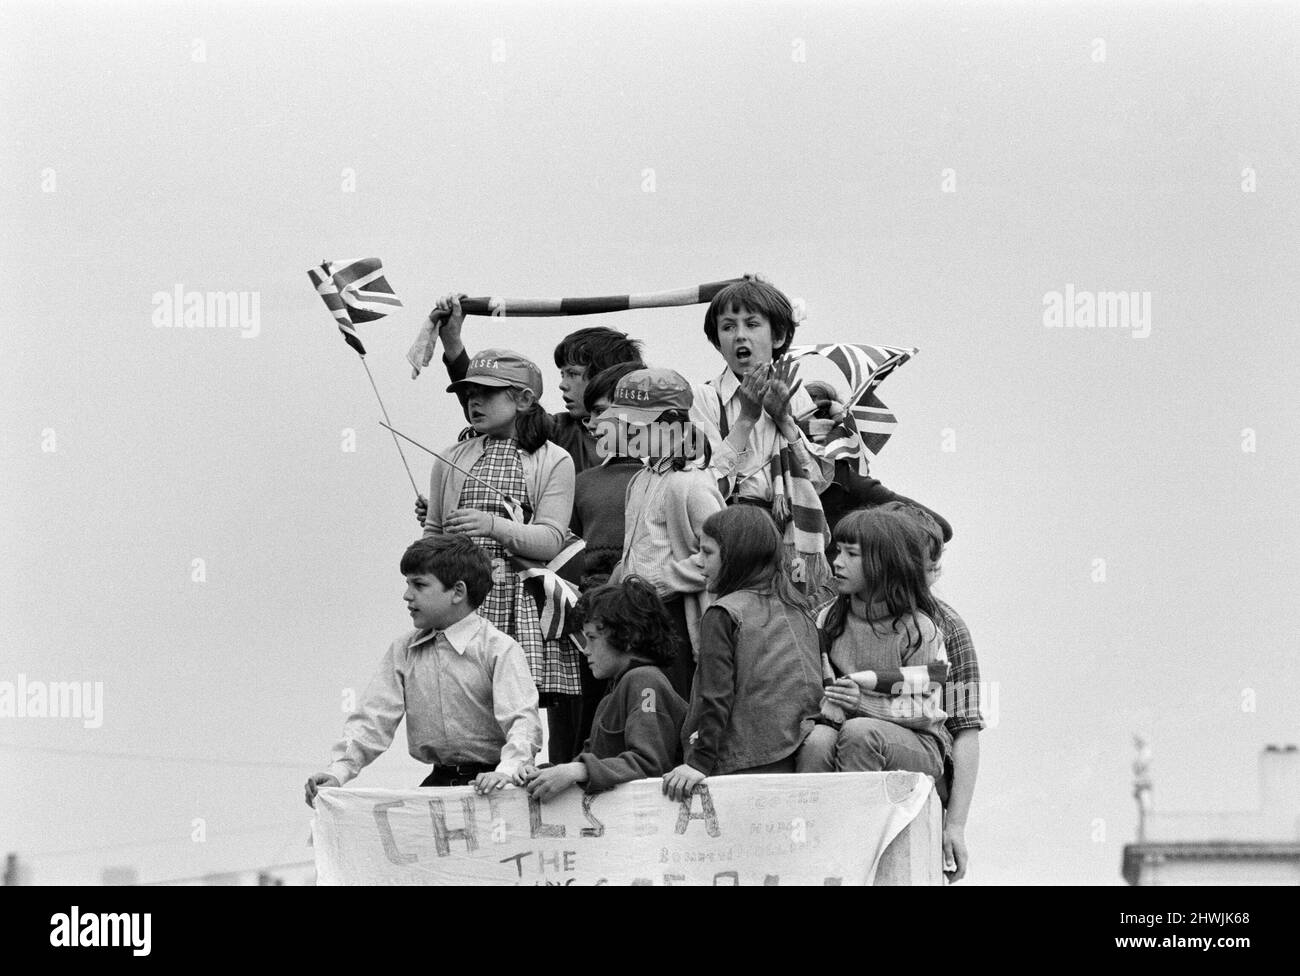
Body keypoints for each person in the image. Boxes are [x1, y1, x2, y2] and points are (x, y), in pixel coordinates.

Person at [419, 349, 585, 763]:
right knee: (464, 697)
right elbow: (435, 534)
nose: (474, 402)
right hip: (464, 600)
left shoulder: (553, 459)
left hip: (518, 599)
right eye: (469, 393)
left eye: (487, 394)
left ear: (524, 400)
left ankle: (517, 769)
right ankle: (469, 770)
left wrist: (492, 526)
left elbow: (549, 539)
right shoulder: (450, 458)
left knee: (516, 699)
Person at [303, 535, 541, 803]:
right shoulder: (404, 649)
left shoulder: (499, 649)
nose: (407, 595)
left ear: (458, 592)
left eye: (419, 585)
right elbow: (373, 719)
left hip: (493, 784)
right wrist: (338, 771)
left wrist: (508, 770)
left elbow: (522, 722)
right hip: (437, 786)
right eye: (408, 584)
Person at [662, 506, 824, 801]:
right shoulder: (801, 612)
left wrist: (698, 762)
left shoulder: (723, 613)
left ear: (737, 556)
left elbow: (716, 696)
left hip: (740, 766)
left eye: (707, 553)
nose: (698, 562)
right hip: (795, 760)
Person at [687, 277, 835, 600]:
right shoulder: (704, 398)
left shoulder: (796, 398)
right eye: (728, 327)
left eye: (752, 324)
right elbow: (705, 485)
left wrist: (783, 418)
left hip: (785, 536)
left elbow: (819, 480)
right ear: (718, 340)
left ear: (778, 335)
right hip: (731, 535)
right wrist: (747, 417)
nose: (740, 335)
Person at [795, 508, 950, 787]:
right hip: (843, 727)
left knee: (860, 733)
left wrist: (861, 703)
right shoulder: (828, 618)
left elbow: (924, 710)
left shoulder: (919, 631)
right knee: (817, 741)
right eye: (838, 551)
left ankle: (859, 828)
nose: (837, 562)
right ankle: (813, 826)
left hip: (918, 741)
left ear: (884, 563)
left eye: (851, 554)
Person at [602, 367, 725, 701]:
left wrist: (663, 581)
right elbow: (636, 549)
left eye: (636, 421)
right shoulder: (640, 478)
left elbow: (721, 551)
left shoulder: (691, 482)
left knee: (673, 707)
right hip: (635, 615)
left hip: (674, 618)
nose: (624, 429)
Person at [881, 500, 985, 884]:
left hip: (919, 797)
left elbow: (966, 727)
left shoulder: (950, 626)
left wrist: (956, 825)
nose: (933, 572)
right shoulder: (837, 614)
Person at [521, 577, 688, 801]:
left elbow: (650, 763)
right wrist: (545, 772)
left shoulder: (645, 681)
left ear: (629, 636)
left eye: (592, 638)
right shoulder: (614, 693)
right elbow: (592, 759)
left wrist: (578, 770)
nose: (586, 650)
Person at [432, 294, 643, 472]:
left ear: (605, 378)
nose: (562, 384)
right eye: (562, 374)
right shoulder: (557, 431)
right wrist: (452, 342)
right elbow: (495, 408)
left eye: (572, 374)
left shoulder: (655, 430)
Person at [568, 360, 646, 749]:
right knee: (591, 709)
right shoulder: (582, 483)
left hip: (646, 610)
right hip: (591, 613)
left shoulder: (662, 477)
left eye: (600, 412)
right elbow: (564, 550)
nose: (592, 423)